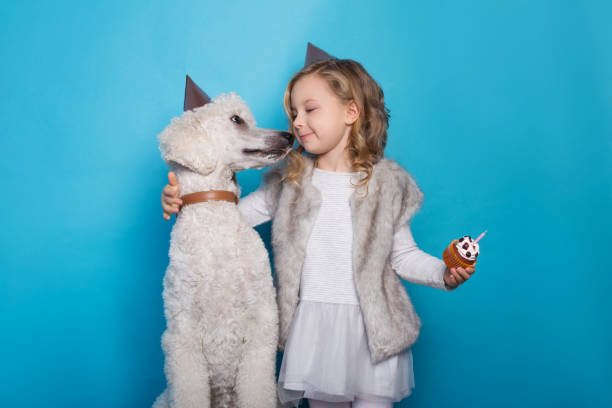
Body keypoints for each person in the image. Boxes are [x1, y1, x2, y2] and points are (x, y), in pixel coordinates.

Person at [161, 59, 475, 408]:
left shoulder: (387, 185)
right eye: (293, 112)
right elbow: (227, 219)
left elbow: (403, 256)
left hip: (371, 332)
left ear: (351, 112)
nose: (297, 122)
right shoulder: (288, 183)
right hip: (315, 332)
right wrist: (185, 198)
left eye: (310, 109)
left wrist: (443, 274)